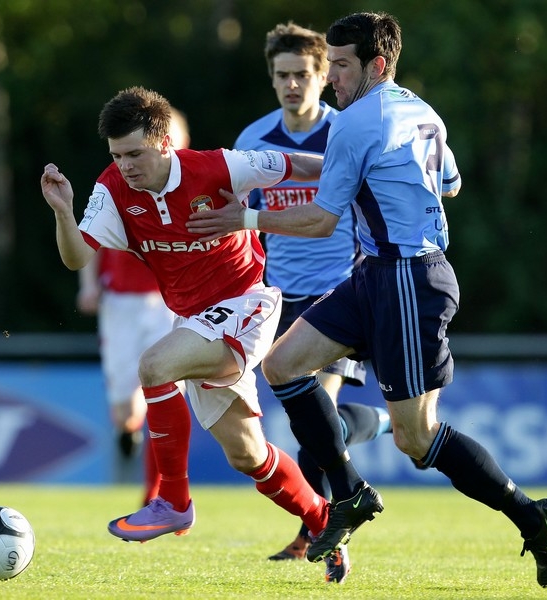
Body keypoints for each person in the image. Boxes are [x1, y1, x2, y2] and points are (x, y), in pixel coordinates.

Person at [187, 11, 547, 588]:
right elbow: (451, 184)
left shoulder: (356, 122)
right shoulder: (420, 108)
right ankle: (351, 493)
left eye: (341, 65)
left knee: (417, 439)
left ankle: (530, 516)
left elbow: (319, 220)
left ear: (377, 65)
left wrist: (243, 216)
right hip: (373, 274)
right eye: (331, 63)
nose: (331, 76)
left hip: (409, 280)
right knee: (284, 365)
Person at [41, 86, 351, 583]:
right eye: (117, 156)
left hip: (249, 304)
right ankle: (322, 521)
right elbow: (78, 257)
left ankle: (174, 501)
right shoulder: (112, 189)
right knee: (247, 455)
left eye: (135, 154)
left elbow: (302, 166)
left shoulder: (221, 167)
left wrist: (355, 172)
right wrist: (62, 211)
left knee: (154, 366)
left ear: (166, 143)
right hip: (195, 322)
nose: (126, 166)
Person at [233, 22, 392, 572]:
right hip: (275, 297)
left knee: (309, 428)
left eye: (303, 74)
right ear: (272, 79)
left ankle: (321, 535)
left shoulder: (347, 133)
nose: (293, 85)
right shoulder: (253, 140)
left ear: (325, 76)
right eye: (283, 76)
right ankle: (387, 424)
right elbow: (238, 223)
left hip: (341, 293)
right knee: (319, 421)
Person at [76, 108, 190, 506]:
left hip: (164, 304)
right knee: (125, 412)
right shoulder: (115, 187)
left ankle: (155, 496)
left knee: (161, 389)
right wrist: (88, 285)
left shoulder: (191, 187)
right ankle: (130, 431)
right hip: (119, 305)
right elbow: (88, 241)